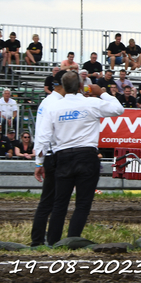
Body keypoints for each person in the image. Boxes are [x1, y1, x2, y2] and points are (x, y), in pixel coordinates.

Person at [38, 71, 124, 245]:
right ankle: (71, 241)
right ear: (80, 86)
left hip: (62, 157)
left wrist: (39, 162)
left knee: (59, 203)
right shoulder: (91, 102)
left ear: (61, 86)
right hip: (87, 156)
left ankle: (53, 242)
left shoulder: (54, 107)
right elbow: (118, 109)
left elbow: (44, 137)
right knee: (82, 204)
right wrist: (102, 93)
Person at [30, 69, 66, 246]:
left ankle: (37, 239)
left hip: (48, 154)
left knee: (47, 200)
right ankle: (51, 240)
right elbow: (44, 135)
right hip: (55, 154)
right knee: (57, 201)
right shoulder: (58, 103)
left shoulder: (46, 101)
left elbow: (40, 134)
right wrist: (40, 160)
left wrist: (39, 161)